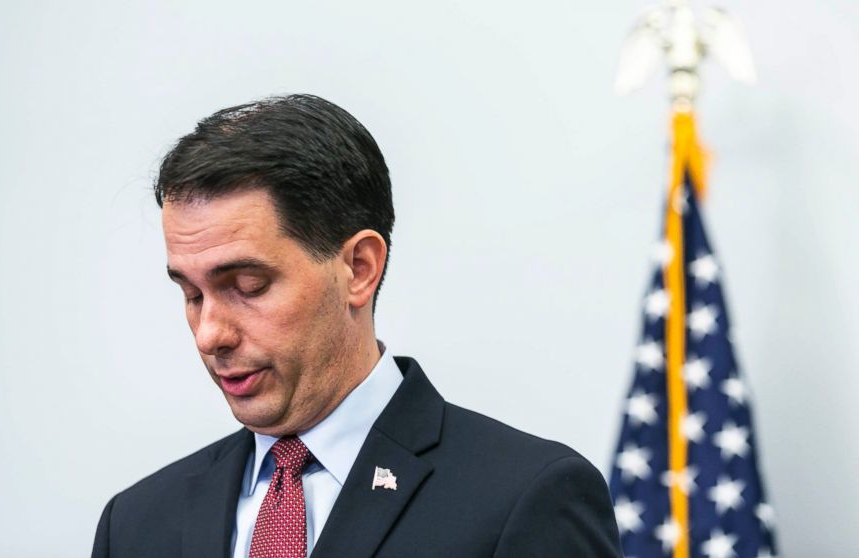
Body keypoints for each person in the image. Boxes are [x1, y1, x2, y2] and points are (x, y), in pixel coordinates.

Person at [91, 94, 621, 558]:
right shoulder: (135, 524)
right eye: (191, 294)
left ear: (358, 268)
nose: (210, 335)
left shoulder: (526, 497)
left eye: (248, 286)